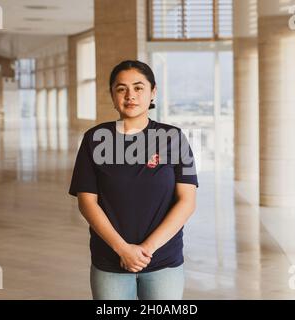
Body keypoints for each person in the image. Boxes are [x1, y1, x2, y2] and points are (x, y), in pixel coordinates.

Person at [68, 60, 199, 300]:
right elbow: (87, 202)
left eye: (138, 88)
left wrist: (145, 250)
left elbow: (187, 202)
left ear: (153, 92)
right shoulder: (94, 139)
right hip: (109, 260)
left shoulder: (174, 138)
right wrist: (123, 250)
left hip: (163, 260)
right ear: (112, 94)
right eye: (121, 89)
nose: (130, 95)